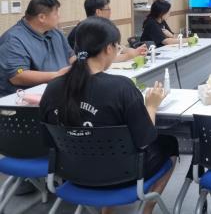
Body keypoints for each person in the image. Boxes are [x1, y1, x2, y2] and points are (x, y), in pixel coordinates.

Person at [39, 17, 178, 214]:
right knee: (170, 144)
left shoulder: (53, 88)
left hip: (72, 173)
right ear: (108, 48)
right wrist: (152, 105)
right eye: (117, 46)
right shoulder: (121, 87)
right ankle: (147, 209)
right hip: (123, 175)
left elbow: (48, 140)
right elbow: (145, 139)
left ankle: (107, 211)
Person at [0, 0, 75, 97]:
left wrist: (80, 67)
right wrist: (57, 75)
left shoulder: (55, 32)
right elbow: (17, 76)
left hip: (59, 91)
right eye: (56, 13)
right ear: (41, 17)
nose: (59, 16)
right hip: (24, 99)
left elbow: (70, 56)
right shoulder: (13, 39)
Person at [68, 0, 147, 61]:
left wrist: (136, 51)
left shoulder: (101, 28)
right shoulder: (86, 30)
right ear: (98, 12)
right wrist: (130, 55)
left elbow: (117, 47)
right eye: (108, 9)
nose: (110, 12)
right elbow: (101, 58)